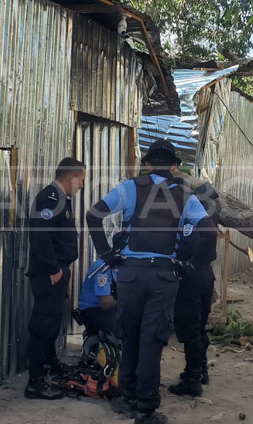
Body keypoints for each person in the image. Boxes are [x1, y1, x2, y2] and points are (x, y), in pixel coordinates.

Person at [86, 139, 207, 424]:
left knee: (131, 337)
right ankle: (146, 407)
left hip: (130, 274)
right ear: (174, 167)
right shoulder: (185, 195)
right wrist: (188, 264)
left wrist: (107, 253)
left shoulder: (130, 188)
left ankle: (126, 397)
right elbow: (206, 230)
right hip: (164, 277)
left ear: (148, 164)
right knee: (152, 341)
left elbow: (94, 215)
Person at [24, 157, 86, 400]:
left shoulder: (61, 199)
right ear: (72, 177)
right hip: (49, 274)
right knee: (42, 326)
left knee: (50, 324)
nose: (82, 185)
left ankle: (50, 366)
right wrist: (53, 270)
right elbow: (40, 237)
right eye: (81, 179)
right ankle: (35, 383)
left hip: (57, 272)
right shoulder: (50, 198)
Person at [168, 196, 218, 398]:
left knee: (190, 332)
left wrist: (187, 267)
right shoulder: (207, 219)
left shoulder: (186, 222)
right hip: (206, 276)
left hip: (190, 280)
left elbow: (180, 252)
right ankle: (200, 371)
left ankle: (193, 380)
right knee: (199, 328)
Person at [76, 258, 119, 338]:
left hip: (112, 307)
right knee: (123, 327)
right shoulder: (103, 267)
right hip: (93, 308)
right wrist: (127, 297)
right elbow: (105, 303)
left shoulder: (126, 266)